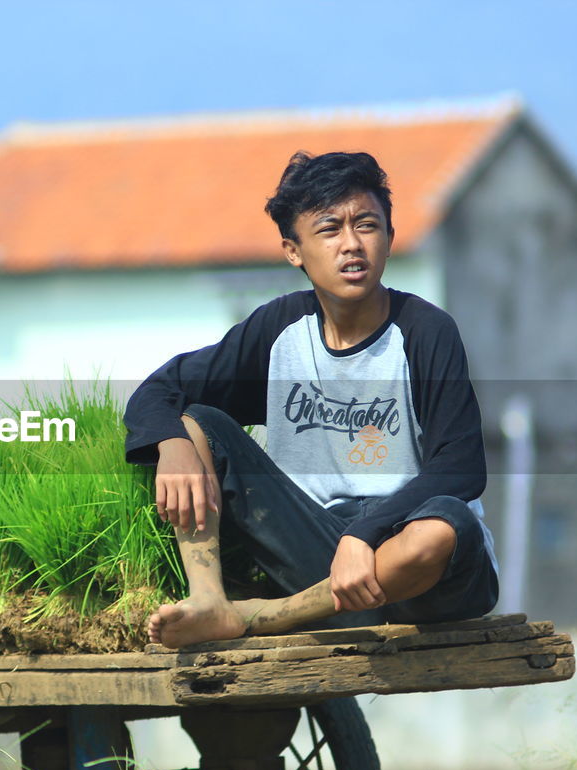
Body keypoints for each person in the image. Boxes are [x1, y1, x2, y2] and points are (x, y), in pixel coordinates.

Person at [124, 151, 498, 650]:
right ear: (293, 251)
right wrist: (172, 445)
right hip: (318, 557)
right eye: (329, 229)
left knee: (442, 528)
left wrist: (363, 534)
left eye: (367, 225)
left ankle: (268, 617)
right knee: (196, 422)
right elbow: (160, 389)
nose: (352, 244)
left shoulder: (426, 331)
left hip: (420, 575)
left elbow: (462, 467)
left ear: (388, 235)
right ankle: (211, 599)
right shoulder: (278, 331)